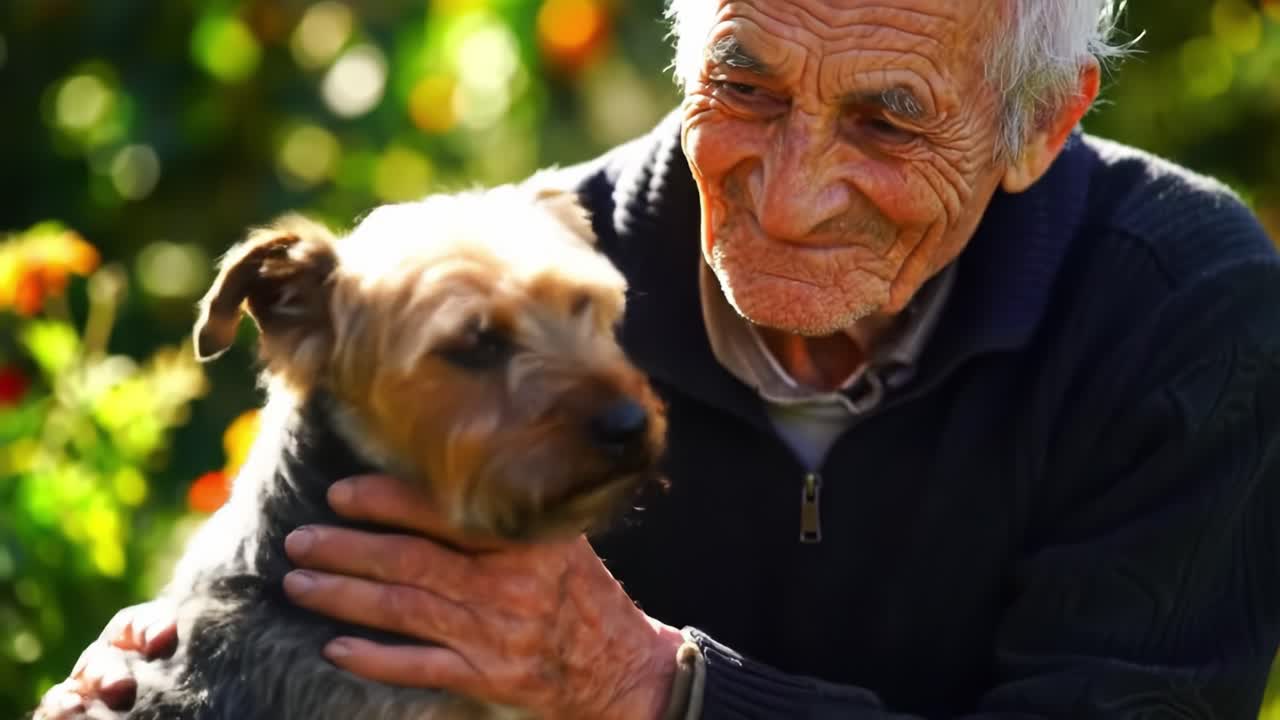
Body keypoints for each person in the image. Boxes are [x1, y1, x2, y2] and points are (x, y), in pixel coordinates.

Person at [39, 1, 1280, 718]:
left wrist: (663, 690)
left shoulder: (1178, 313)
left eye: (887, 119)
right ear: (680, 64)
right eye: (742, 88)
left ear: (1041, 126)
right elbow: (284, 602)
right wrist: (173, 669)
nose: (788, 198)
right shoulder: (522, 268)